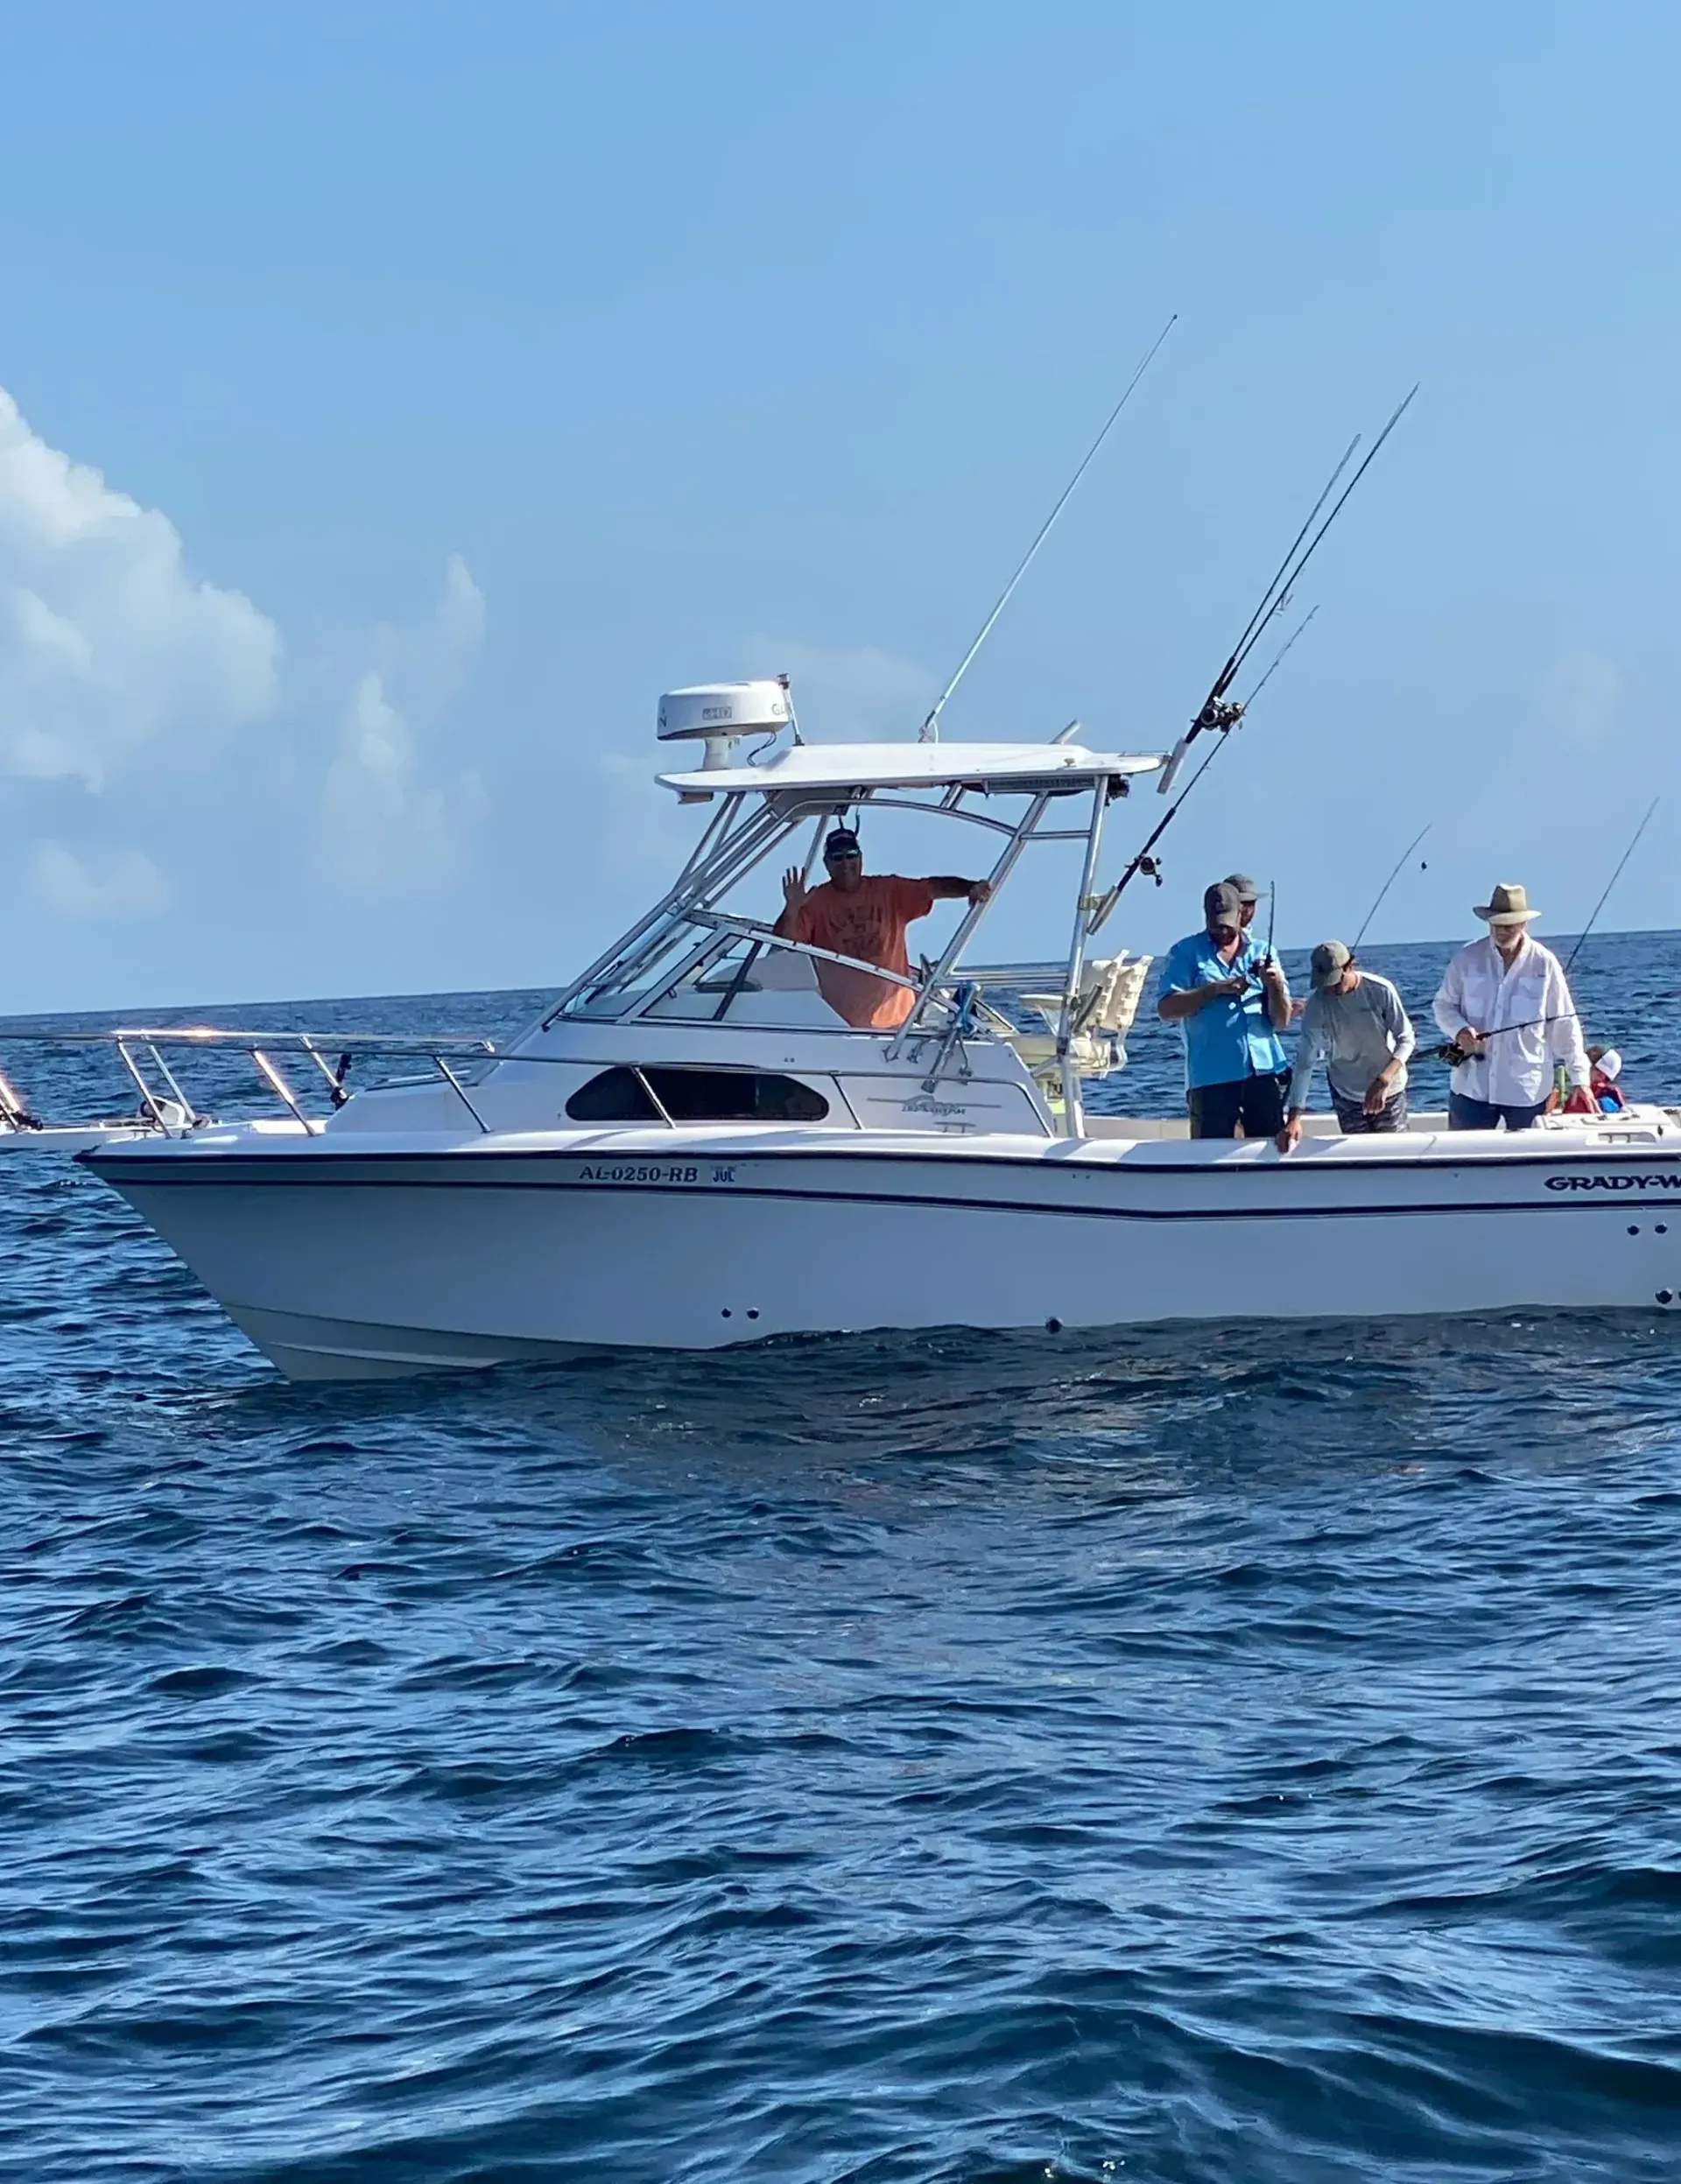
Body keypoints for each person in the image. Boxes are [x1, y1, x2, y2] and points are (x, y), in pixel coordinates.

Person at [776, 826, 992, 1030]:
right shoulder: (816, 902)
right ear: (827, 863)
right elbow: (784, 944)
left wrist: (970, 887)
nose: (846, 863)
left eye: (851, 855)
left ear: (861, 858)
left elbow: (933, 887)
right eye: (837, 857)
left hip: (899, 1026)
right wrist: (792, 908)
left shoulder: (889, 891)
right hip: (841, 1026)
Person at [1432, 881, 1593, 1129]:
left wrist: (1580, 1079)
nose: (1500, 932)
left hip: (1526, 1091)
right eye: (1495, 924)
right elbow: (1443, 1005)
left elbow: (1565, 1026)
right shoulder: (1466, 958)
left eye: (1507, 926)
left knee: (1532, 1163)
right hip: (1471, 1088)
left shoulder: (1544, 964)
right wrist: (1460, 1030)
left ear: (1523, 924)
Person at [1157, 880, 1293, 1138]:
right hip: (1212, 1077)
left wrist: (1274, 986)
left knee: (1267, 1147)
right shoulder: (1185, 952)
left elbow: (1281, 1021)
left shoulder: (1263, 951)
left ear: (1241, 914)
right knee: (1209, 1153)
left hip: (1263, 1073)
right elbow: (1166, 1009)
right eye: (1215, 924)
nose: (1222, 932)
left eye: (1228, 925)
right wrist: (1214, 989)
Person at [1275, 940, 1415, 1153]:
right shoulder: (1316, 1005)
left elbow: (1406, 1039)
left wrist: (1384, 1080)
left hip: (1389, 1090)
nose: (1329, 990)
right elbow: (1305, 1062)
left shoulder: (1380, 990)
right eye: (1324, 984)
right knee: (1359, 1156)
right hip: (1346, 1093)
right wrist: (1294, 1118)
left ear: (1350, 966)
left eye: (1334, 982)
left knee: (1393, 1153)